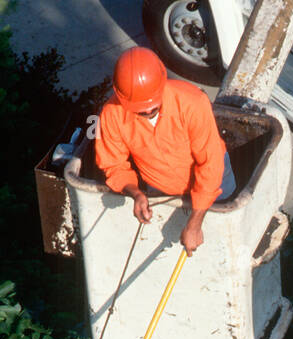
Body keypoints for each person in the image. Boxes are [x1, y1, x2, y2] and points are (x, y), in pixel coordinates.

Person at [94, 47, 235, 256]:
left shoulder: (193, 102)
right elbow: (113, 165)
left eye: (154, 107)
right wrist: (136, 193)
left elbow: (210, 163)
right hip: (161, 189)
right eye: (140, 111)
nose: (148, 112)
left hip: (214, 184)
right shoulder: (111, 115)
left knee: (223, 246)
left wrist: (195, 223)